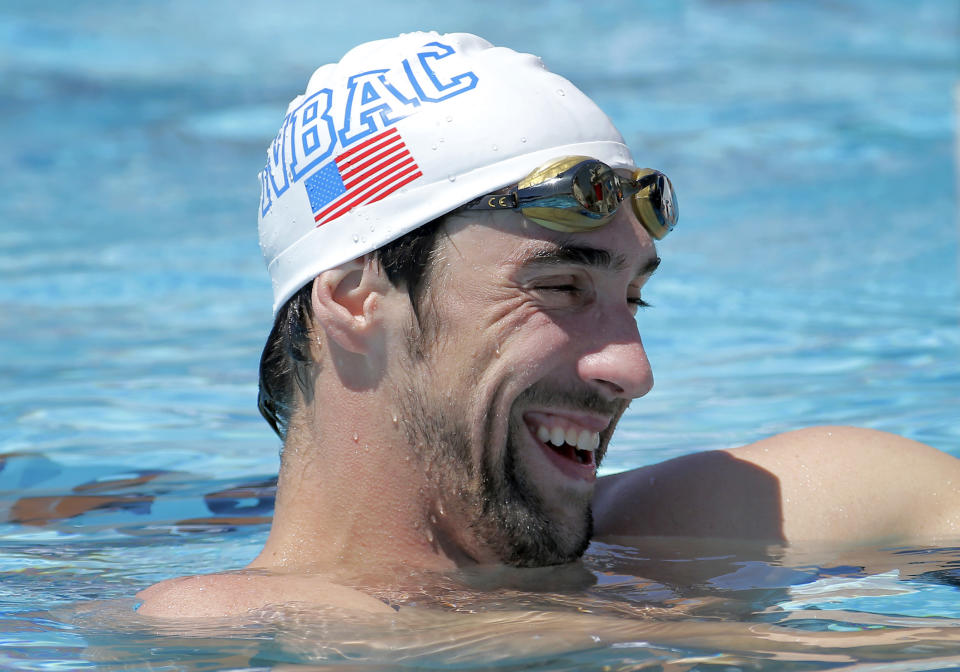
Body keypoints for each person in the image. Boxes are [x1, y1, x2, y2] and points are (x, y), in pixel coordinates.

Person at [137, 32, 960, 618]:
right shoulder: (224, 626)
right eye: (561, 287)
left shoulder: (704, 525)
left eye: (633, 299)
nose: (633, 371)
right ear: (355, 300)